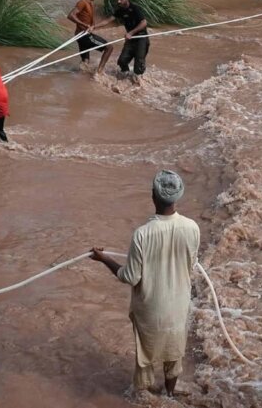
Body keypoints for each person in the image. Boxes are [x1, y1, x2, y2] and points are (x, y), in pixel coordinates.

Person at [90, 170, 201, 397]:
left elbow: (129, 277)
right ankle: (169, 396)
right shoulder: (192, 228)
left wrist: (104, 259)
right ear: (178, 196)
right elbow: (191, 267)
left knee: (146, 356)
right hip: (179, 305)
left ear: (153, 195)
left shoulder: (142, 234)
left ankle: (144, 396)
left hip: (151, 308)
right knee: (174, 353)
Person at [95, 0, 149, 83]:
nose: (118, 1)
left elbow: (144, 23)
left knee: (138, 68)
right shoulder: (120, 11)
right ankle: (126, 79)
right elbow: (108, 21)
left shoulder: (135, 8)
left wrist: (131, 33)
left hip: (141, 38)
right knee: (122, 61)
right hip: (130, 40)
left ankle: (139, 80)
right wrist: (94, 27)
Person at [66, 0, 113, 74]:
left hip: (81, 35)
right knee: (109, 47)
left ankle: (81, 79)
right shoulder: (82, 2)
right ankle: (99, 71)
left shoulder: (90, 3)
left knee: (85, 62)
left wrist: (92, 26)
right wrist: (84, 25)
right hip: (84, 35)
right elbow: (71, 15)